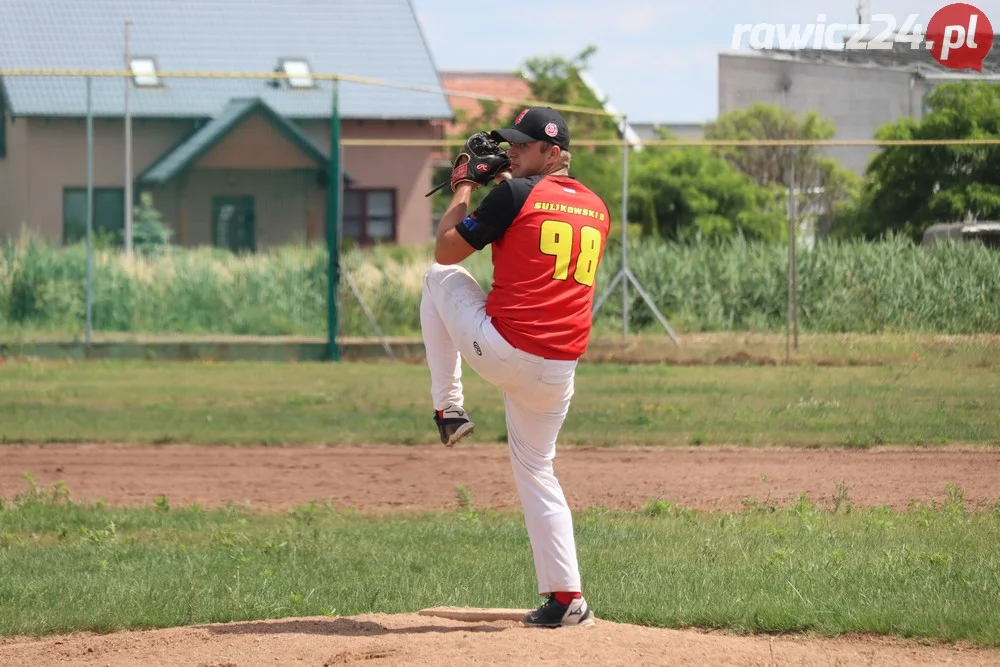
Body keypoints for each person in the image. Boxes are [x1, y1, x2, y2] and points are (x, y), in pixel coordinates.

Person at [419, 106, 611, 628]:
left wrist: (463, 185)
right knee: (536, 469)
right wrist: (505, 179)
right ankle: (568, 599)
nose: (512, 152)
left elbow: (445, 248)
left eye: (523, 147)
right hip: (559, 371)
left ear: (553, 153)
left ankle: (449, 408)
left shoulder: (514, 193)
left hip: (508, 351)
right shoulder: (597, 206)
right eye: (512, 145)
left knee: (438, 279)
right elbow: (534, 216)